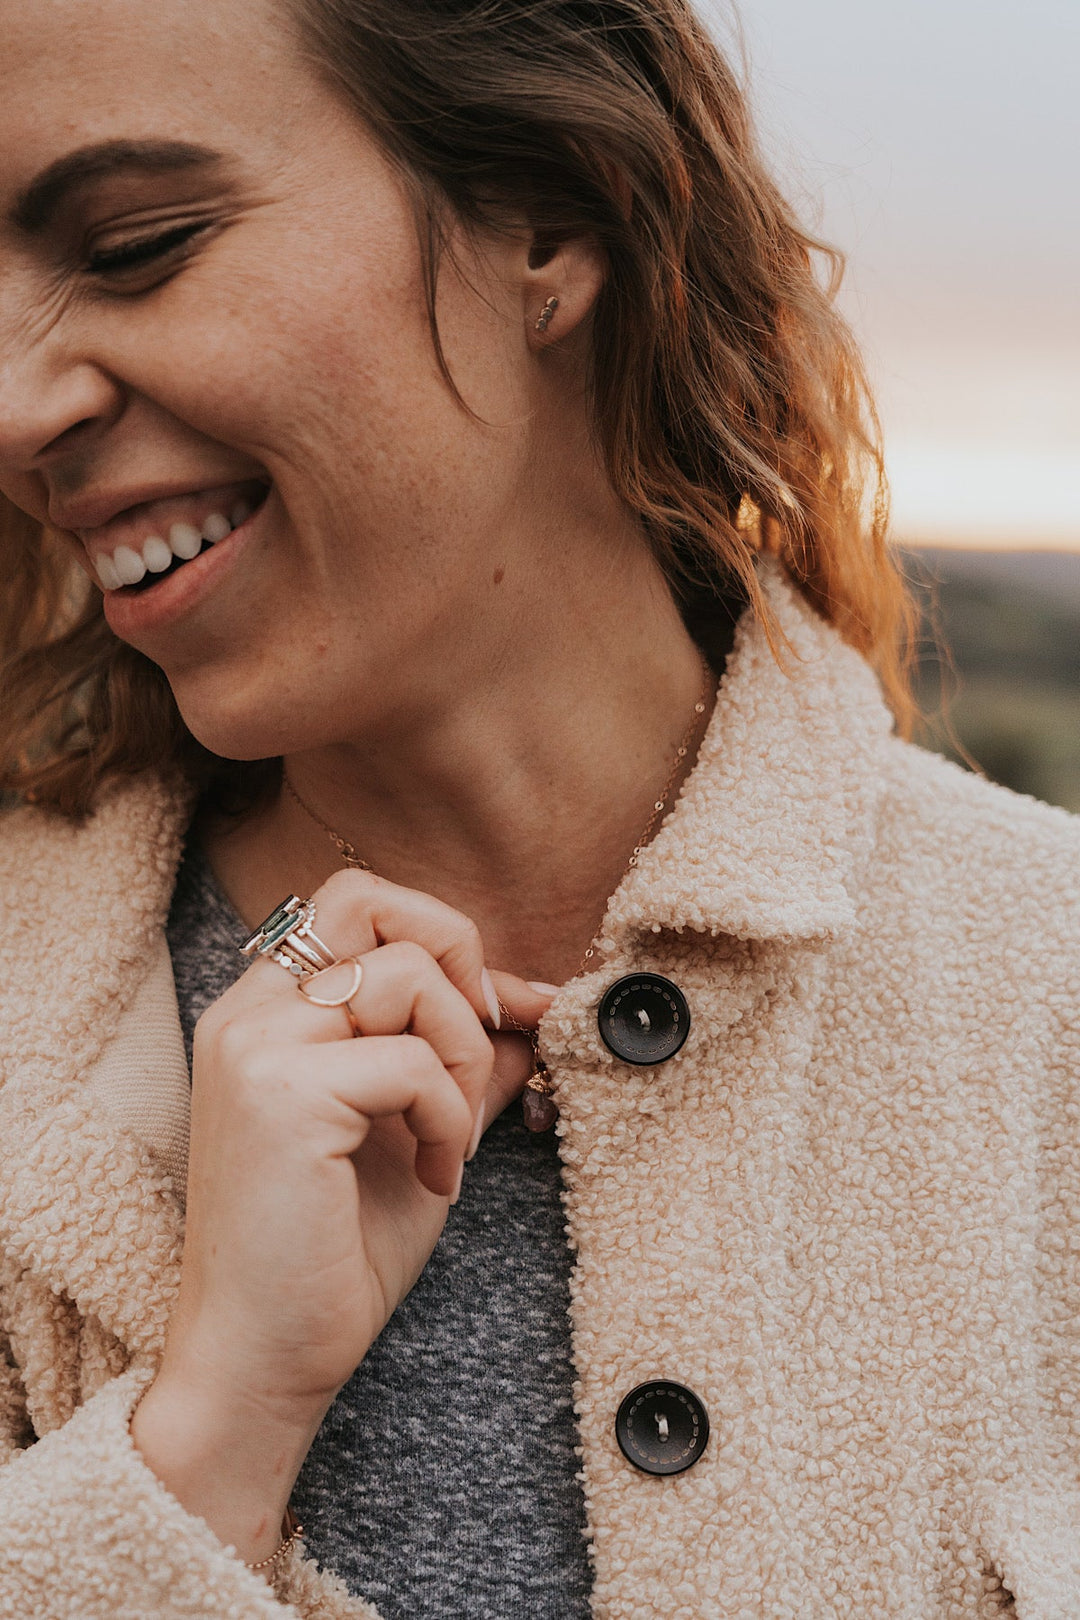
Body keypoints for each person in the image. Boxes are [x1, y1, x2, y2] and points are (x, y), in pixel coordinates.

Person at [0, 0, 1077, 1615]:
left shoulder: (1051, 998)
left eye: (141, 241)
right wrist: (204, 1439)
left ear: (553, 217)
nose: (17, 413)